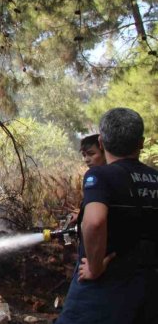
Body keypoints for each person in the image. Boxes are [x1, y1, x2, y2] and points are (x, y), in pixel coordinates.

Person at [57, 108, 158, 324]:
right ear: (140, 143)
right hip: (149, 288)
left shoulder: (100, 176)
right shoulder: (155, 178)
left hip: (104, 288)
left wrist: (94, 267)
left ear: (101, 143)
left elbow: (94, 222)